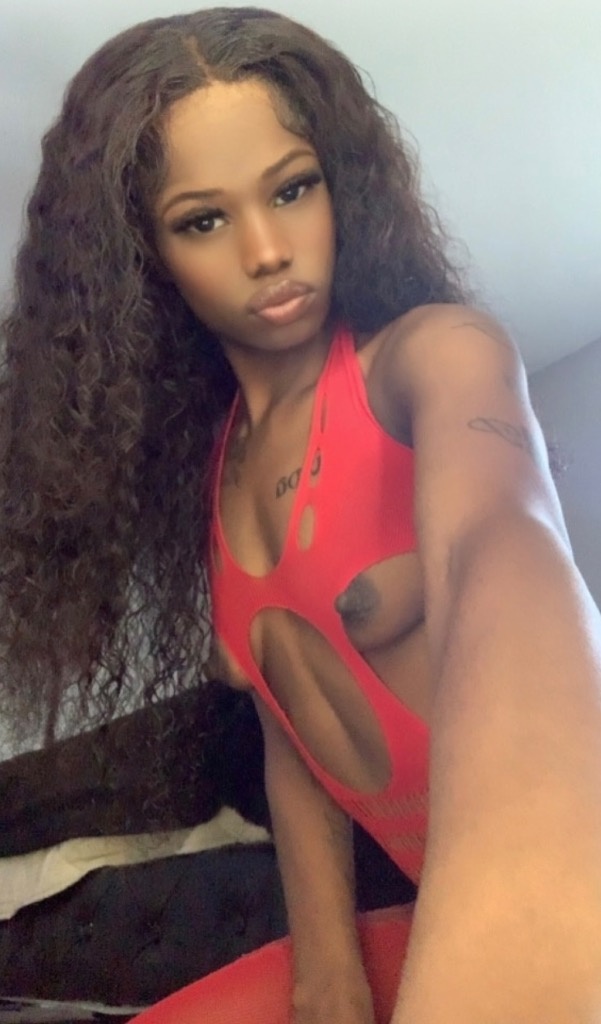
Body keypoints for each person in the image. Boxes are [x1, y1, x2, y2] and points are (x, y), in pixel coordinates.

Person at [2, 8, 601, 1023]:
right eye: (203, 220)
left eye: (292, 189)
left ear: (341, 186)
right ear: (145, 259)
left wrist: (518, 931)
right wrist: (329, 978)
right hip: (429, 909)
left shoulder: (435, 356)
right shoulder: (216, 480)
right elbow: (296, 743)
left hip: (548, 889)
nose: (268, 249)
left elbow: (503, 545)